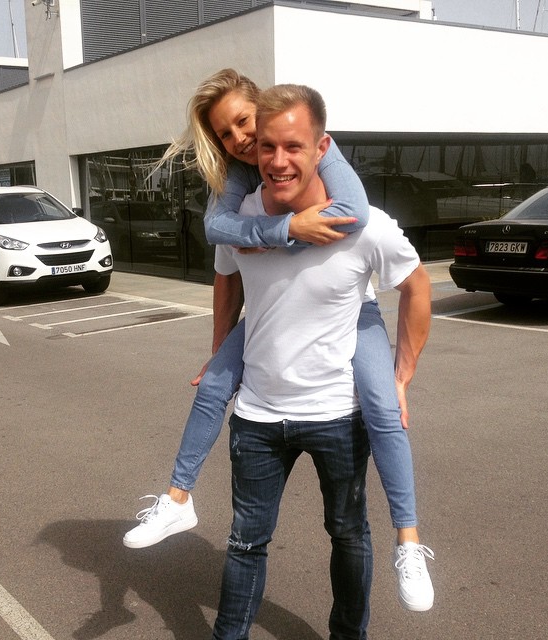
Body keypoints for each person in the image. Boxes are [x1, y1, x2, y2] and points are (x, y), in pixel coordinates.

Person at [123, 69, 434, 612]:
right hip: (267, 360)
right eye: (227, 134)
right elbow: (221, 254)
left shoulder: (339, 184)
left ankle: (408, 540)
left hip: (353, 316)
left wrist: (403, 374)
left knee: (385, 409)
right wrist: (281, 236)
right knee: (212, 386)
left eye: (246, 123)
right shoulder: (238, 186)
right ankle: (177, 498)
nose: (242, 141)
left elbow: (358, 217)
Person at [211, 83, 432, 638]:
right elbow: (226, 281)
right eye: (267, 146)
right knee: (244, 543)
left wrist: (402, 374)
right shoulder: (239, 218)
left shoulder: (363, 224)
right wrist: (219, 359)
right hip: (258, 417)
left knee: (349, 535)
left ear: (321, 148)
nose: (278, 160)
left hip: (338, 414)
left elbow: (417, 285)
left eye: (294, 146)